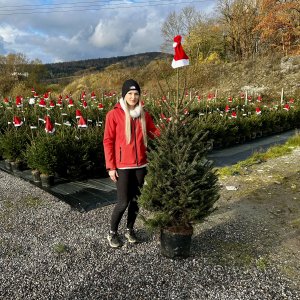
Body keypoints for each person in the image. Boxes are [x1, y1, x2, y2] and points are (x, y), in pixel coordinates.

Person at [103, 79, 159, 248]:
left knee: (136, 200)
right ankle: (112, 233)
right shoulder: (113, 114)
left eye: (136, 94)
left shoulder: (144, 114)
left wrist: (171, 130)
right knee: (123, 202)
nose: (133, 97)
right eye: (130, 94)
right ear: (124, 95)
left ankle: (129, 229)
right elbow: (108, 141)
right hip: (123, 166)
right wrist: (111, 167)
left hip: (141, 165)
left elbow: (154, 132)